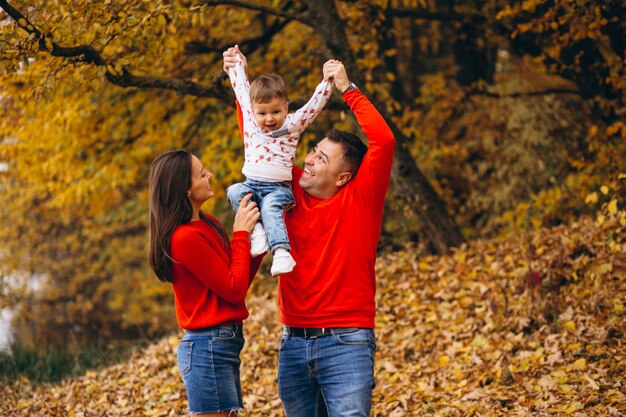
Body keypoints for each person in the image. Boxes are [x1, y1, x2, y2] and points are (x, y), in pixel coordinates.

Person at [148, 149, 264, 416]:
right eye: (201, 174)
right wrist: (240, 233)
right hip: (207, 344)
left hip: (224, 341)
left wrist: (257, 243)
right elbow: (234, 290)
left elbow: (235, 283)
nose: (209, 175)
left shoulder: (208, 223)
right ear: (185, 189)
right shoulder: (184, 238)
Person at [223, 45, 332, 276]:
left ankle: (281, 252)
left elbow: (314, 107)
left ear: (286, 107)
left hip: (278, 189)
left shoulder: (292, 125)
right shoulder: (252, 121)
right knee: (233, 191)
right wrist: (236, 65)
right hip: (251, 184)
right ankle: (258, 231)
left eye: (275, 112)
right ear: (253, 111)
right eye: (262, 114)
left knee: (271, 207)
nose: (269, 119)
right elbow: (241, 90)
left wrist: (328, 81)